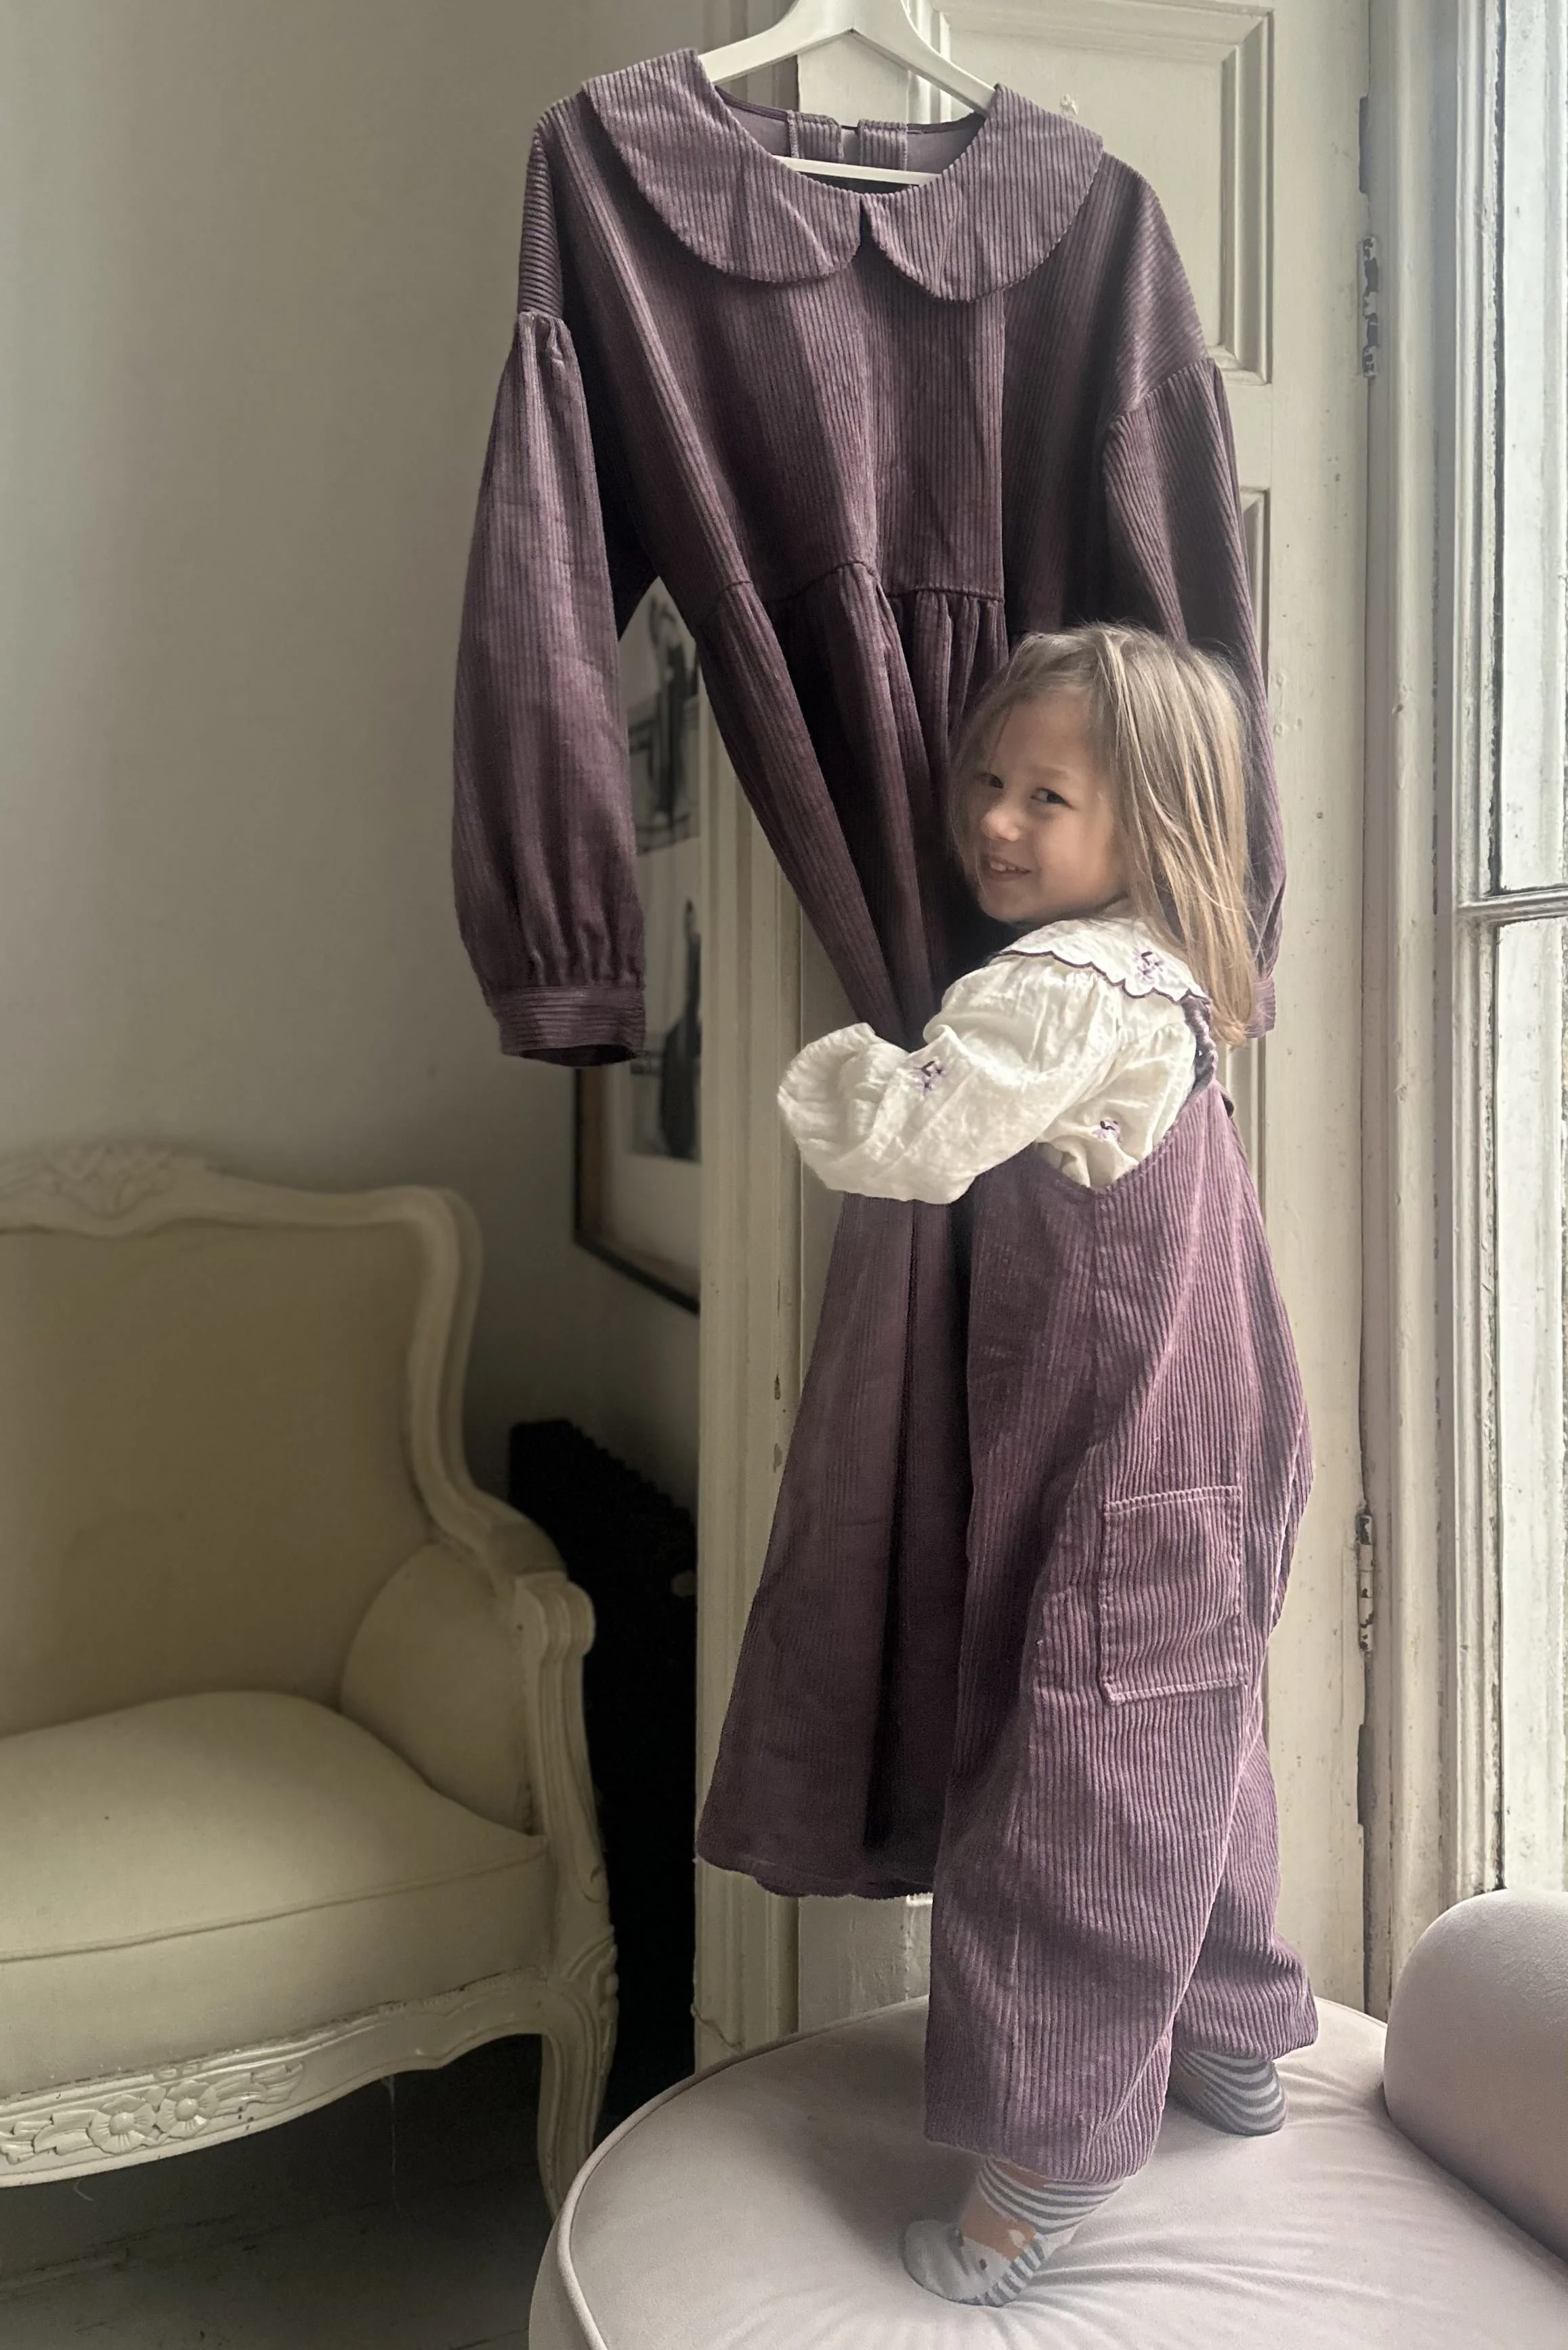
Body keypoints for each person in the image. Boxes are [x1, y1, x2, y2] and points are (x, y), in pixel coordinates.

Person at [775, 625, 1317, 2309]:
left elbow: (905, 1135)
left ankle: (1051, 2156)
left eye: (1047, 796)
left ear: (1141, 819)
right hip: (1210, 1445)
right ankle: (1233, 2041)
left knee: (1069, 1799)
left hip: (1115, 1468)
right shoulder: (1166, 972)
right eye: (985, 784)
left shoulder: (1056, 988)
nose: (996, 824)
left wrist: (833, 1055)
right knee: (1191, 1750)